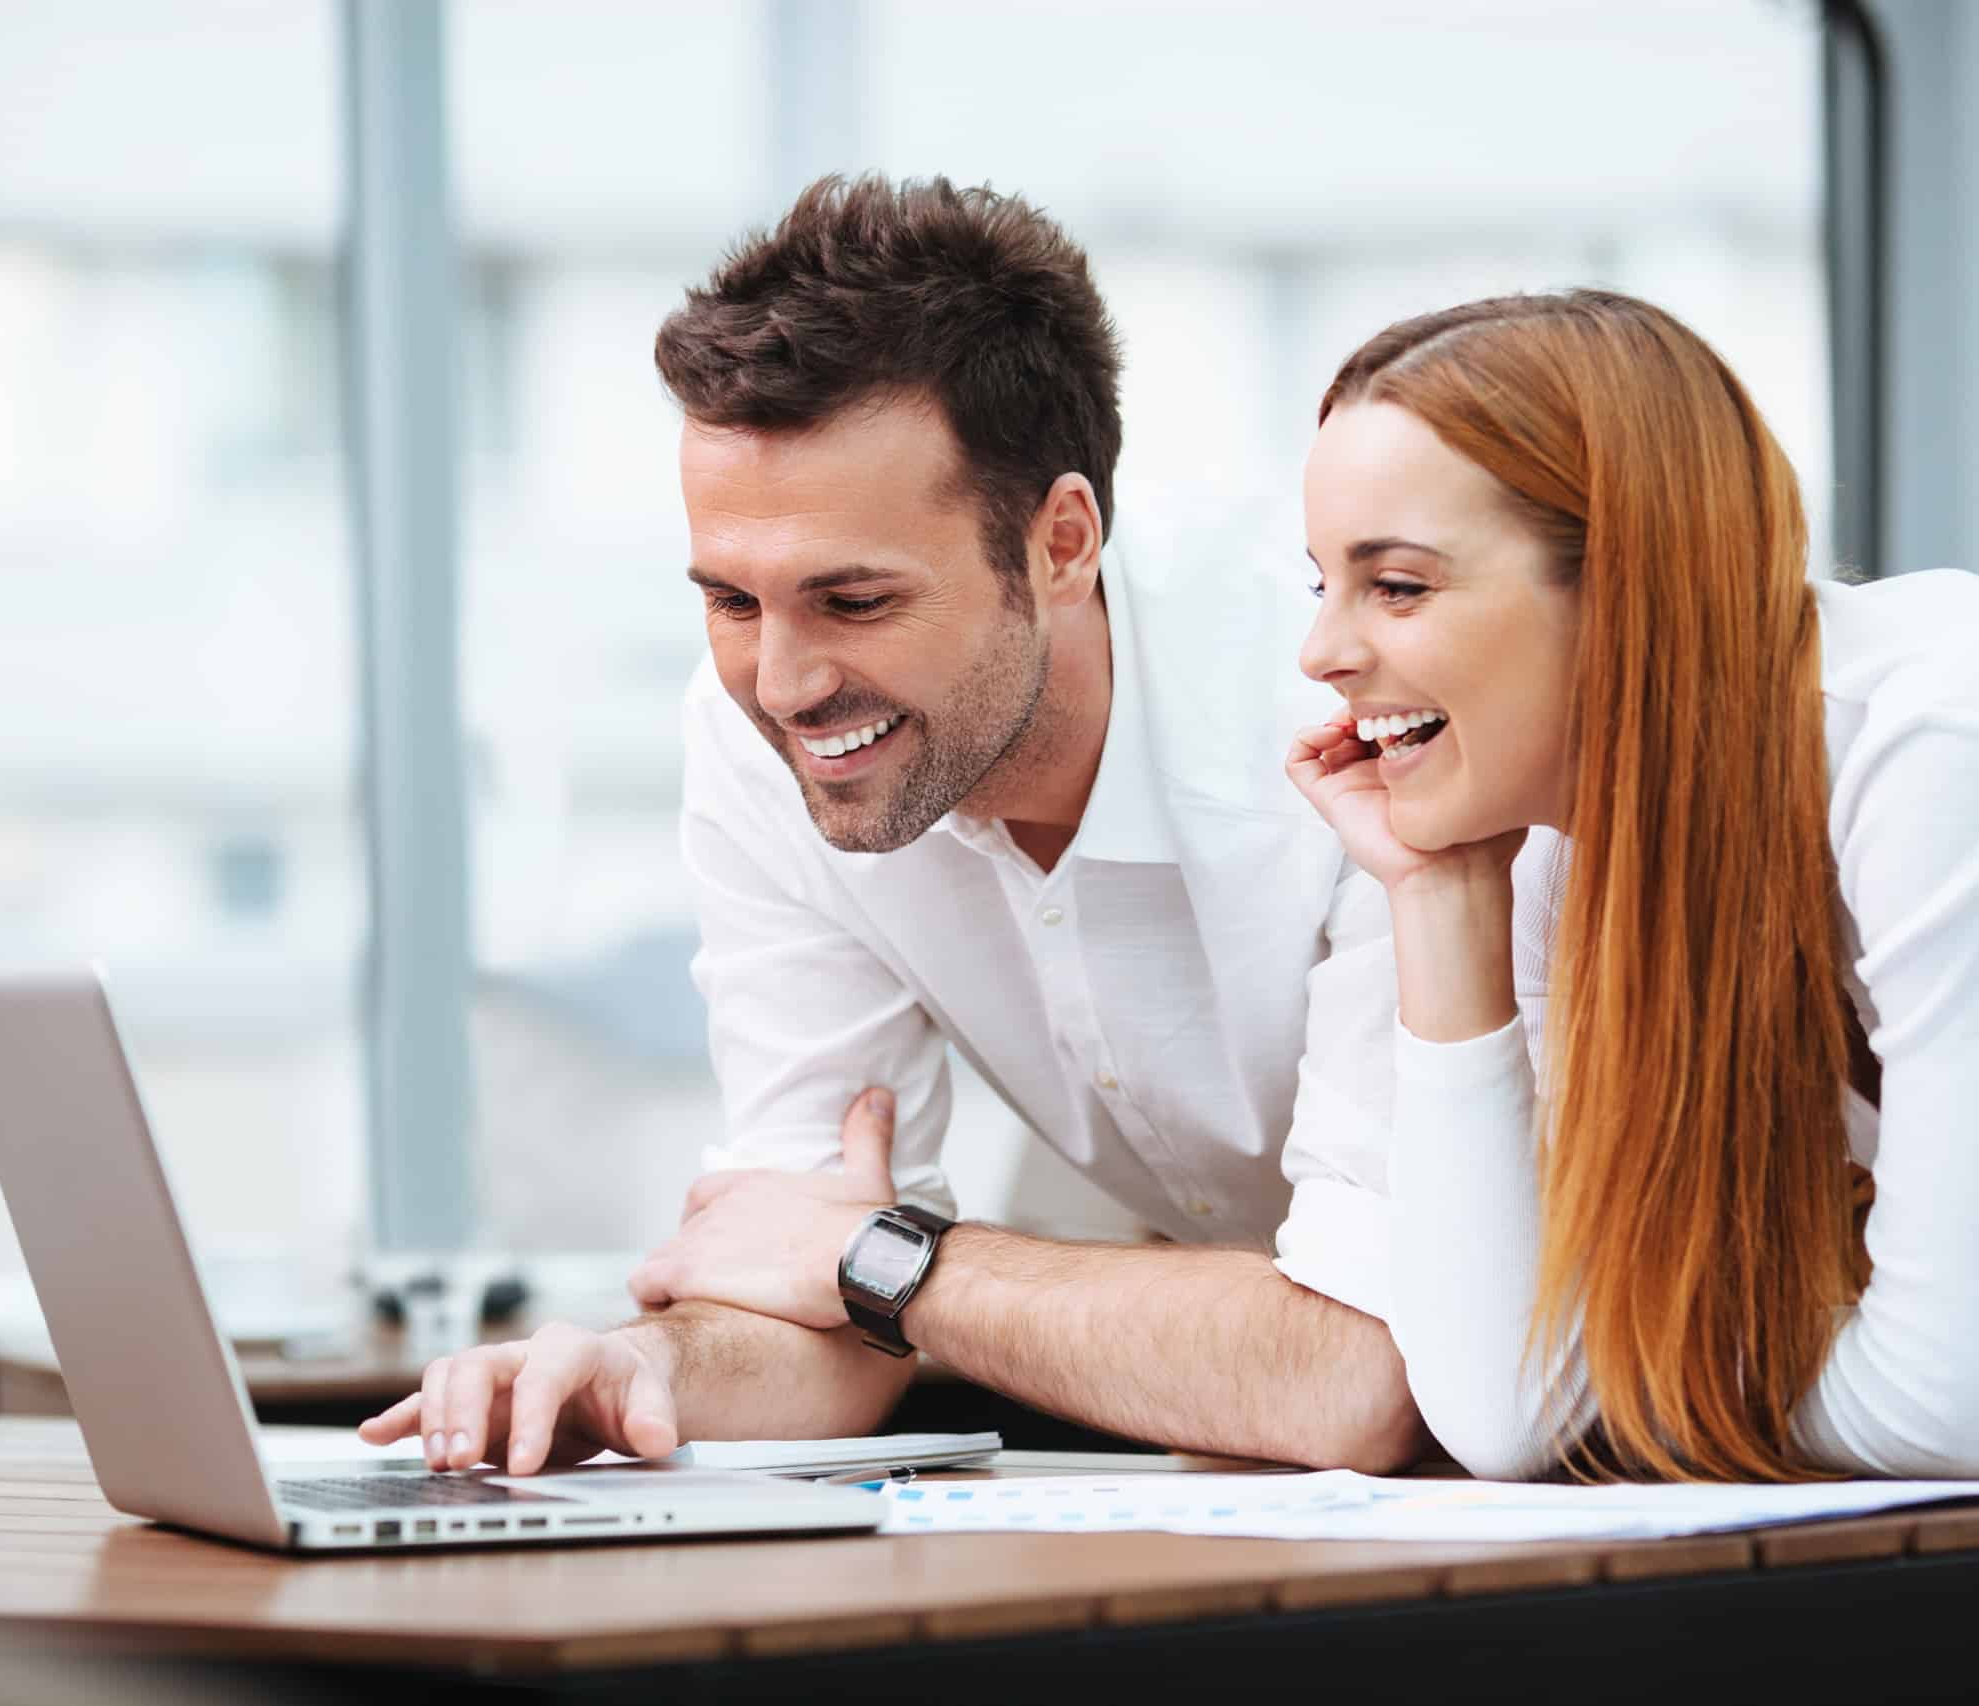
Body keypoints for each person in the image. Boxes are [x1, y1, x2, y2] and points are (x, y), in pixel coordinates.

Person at [358, 174, 1422, 1475]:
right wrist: (644, 1370)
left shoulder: (1349, 701)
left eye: (852, 600)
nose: (786, 684)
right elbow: (807, 1289)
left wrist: (883, 1259)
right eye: (733, 602)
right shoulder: (764, 737)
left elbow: (1357, 1371)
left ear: (1062, 542)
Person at [1281, 288, 1979, 1481]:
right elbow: (1511, 1408)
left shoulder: (1950, 744)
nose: (1320, 651)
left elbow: (1955, 1406)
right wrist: (1440, 902)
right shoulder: (1562, 832)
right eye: (1316, 582)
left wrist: (1641, 1386)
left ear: (1626, 578)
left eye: (1399, 585)